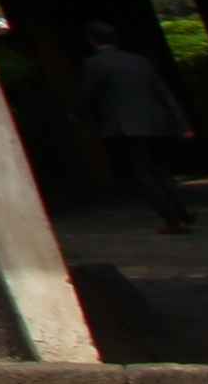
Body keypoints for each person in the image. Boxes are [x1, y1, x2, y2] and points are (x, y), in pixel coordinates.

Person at [76, 18, 199, 235]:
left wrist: (81, 118)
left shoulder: (94, 64)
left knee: (144, 173)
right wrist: (182, 123)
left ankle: (171, 219)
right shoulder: (139, 61)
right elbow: (164, 93)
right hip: (156, 122)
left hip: (126, 126)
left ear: (92, 41)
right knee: (162, 170)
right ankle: (181, 212)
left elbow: (88, 96)